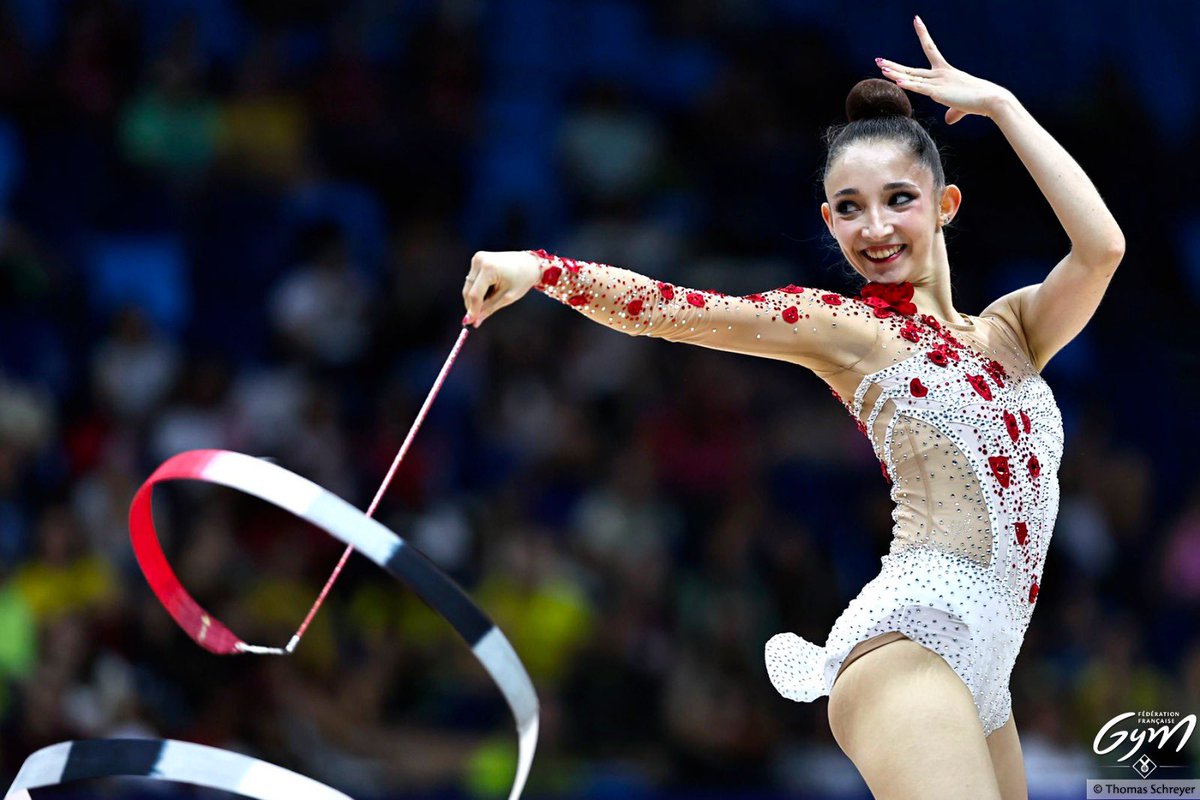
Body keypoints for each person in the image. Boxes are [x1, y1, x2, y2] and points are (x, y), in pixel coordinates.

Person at [461, 16, 1123, 800]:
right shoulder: (846, 329)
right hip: (911, 645)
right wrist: (541, 267)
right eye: (849, 207)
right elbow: (670, 308)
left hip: (989, 673)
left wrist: (1006, 108)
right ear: (828, 221)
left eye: (898, 199)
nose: (873, 227)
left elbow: (1102, 248)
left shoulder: (1014, 329)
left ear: (945, 203)